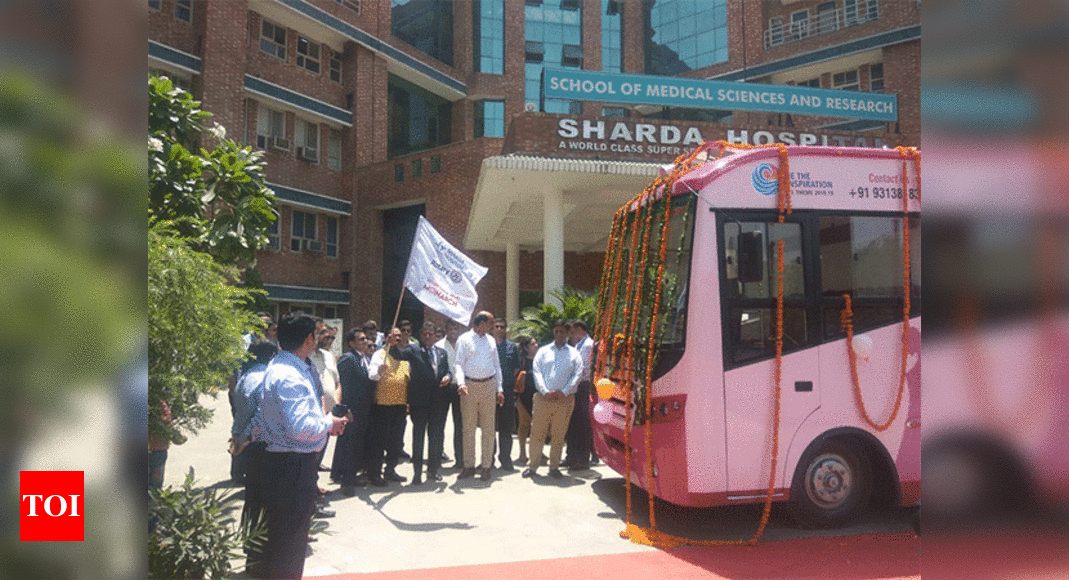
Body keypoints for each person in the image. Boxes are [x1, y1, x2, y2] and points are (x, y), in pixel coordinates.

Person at [249, 311, 348, 580]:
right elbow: (302, 428)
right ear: (308, 338)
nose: (318, 339)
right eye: (316, 333)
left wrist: (326, 420)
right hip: (291, 467)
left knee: (282, 541)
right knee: (289, 545)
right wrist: (328, 424)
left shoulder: (288, 366)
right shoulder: (289, 376)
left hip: (284, 464)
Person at [230, 339, 277, 576]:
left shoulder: (245, 378)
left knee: (254, 500)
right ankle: (258, 557)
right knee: (264, 502)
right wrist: (243, 438)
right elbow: (259, 417)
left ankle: (252, 554)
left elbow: (240, 414)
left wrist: (237, 437)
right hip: (261, 446)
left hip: (251, 446)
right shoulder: (263, 380)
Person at [390, 321, 451, 484]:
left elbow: (447, 370)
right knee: (418, 437)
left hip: (438, 401)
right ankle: (417, 472)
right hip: (419, 401)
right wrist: (392, 344)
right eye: (425, 334)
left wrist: (448, 377)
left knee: (436, 437)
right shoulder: (413, 350)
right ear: (420, 336)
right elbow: (397, 355)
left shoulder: (442, 352)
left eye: (431, 333)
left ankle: (433, 469)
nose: (428, 336)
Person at [524, 320, 583, 479]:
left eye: (562, 332)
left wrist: (564, 391)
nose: (559, 334)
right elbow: (536, 372)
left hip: (564, 400)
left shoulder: (574, 354)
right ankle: (533, 466)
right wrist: (544, 391)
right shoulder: (543, 351)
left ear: (568, 334)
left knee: (559, 435)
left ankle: (554, 467)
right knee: (537, 433)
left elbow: (577, 375)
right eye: (556, 331)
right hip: (543, 399)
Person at [454, 311, 504, 481]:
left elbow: (497, 366)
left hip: (489, 387)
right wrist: (461, 383)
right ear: (481, 323)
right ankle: (468, 466)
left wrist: (500, 389)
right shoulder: (464, 339)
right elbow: (458, 364)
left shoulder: (491, 340)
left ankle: (486, 466)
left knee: (489, 429)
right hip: (469, 386)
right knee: (468, 429)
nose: (492, 328)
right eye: (490, 324)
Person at [331, 329, 376, 496]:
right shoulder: (348, 359)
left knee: (357, 446)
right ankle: (347, 482)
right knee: (349, 446)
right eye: (361, 339)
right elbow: (343, 386)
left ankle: (352, 475)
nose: (365, 342)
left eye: (366, 339)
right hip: (351, 410)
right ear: (351, 343)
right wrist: (346, 409)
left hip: (364, 410)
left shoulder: (366, 359)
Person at [367, 327, 410, 485]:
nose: (396, 340)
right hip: (383, 405)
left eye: (399, 337)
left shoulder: (405, 355)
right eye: (393, 336)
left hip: (400, 405)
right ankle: (375, 473)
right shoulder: (379, 355)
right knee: (380, 441)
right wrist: (379, 371)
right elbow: (372, 376)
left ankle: (390, 470)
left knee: (396, 441)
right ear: (386, 338)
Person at [563, 318, 596, 470]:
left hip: (582, 385)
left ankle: (582, 458)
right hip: (574, 386)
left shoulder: (588, 345)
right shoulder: (578, 345)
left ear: (579, 330)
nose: (571, 335)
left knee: (582, 423)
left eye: (573, 331)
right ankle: (571, 455)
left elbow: (582, 367)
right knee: (572, 422)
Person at [309, 325, 341, 472]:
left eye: (329, 335)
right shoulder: (305, 357)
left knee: (322, 448)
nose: (327, 337)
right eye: (323, 333)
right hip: (312, 413)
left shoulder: (329, 356)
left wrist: (337, 405)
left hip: (329, 412)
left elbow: (337, 382)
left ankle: (314, 475)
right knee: (310, 451)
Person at [492, 318, 522, 471]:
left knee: (506, 427)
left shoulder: (512, 347)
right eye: (496, 326)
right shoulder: (488, 345)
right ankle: (488, 460)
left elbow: (517, 367)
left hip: (508, 391)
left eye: (502, 327)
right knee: (490, 427)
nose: (499, 329)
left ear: (505, 329)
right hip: (490, 391)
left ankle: (505, 459)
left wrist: (506, 380)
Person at [436, 319, 465, 469]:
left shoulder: (464, 343)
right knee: (439, 423)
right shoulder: (438, 345)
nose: (453, 329)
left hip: (460, 388)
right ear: (446, 329)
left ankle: (460, 459)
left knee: (460, 425)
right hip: (443, 389)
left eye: (456, 327)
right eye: (451, 327)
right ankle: (437, 456)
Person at [513, 335, 538, 466]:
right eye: (533, 344)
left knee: (538, 426)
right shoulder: (521, 360)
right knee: (524, 424)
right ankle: (522, 453)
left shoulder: (540, 359)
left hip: (538, 396)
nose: (536, 346)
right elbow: (515, 374)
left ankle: (537, 452)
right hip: (523, 397)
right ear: (527, 348)